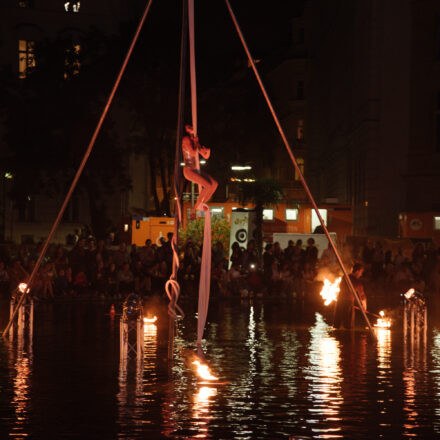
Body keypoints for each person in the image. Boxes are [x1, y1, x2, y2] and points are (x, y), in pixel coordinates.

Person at [182, 125, 217, 211]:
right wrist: (196, 143)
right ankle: (195, 207)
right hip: (189, 170)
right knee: (208, 186)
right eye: (189, 127)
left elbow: (205, 156)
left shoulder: (195, 141)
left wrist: (208, 151)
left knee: (214, 184)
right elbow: (193, 153)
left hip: (195, 170)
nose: (191, 128)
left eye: (191, 126)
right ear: (186, 130)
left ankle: (203, 203)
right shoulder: (186, 139)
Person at [334, 263, 366, 329]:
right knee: (348, 325)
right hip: (347, 303)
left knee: (336, 324)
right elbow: (362, 296)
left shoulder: (344, 277)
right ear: (357, 271)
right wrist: (364, 306)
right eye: (361, 272)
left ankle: (336, 337)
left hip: (339, 301)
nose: (361, 274)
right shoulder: (355, 281)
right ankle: (347, 338)